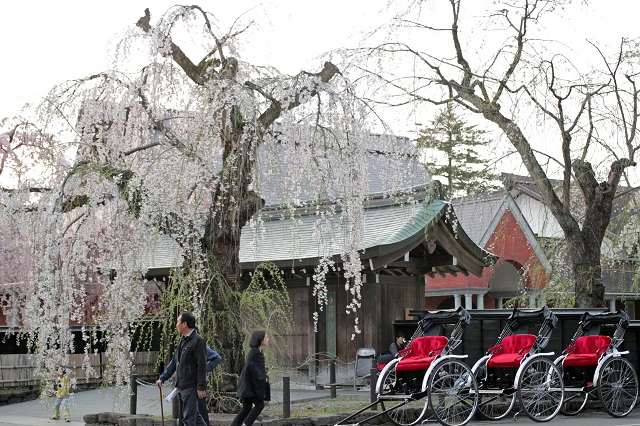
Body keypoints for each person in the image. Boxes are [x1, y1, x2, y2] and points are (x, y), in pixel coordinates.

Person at [155, 311, 207, 426]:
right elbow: (175, 362)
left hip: (190, 386)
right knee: (195, 418)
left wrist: (201, 386)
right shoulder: (182, 340)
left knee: (189, 420)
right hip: (181, 385)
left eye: (178, 321)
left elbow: (202, 365)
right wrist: (162, 378)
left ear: (184, 324)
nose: (176, 324)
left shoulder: (197, 340)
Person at [157, 341, 222, 426]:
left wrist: (205, 370)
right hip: (183, 387)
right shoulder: (181, 346)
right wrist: (162, 378)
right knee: (186, 415)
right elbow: (173, 364)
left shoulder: (197, 345)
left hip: (196, 386)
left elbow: (216, 358)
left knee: (198, 413)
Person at [231, 330, 269, 426]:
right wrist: (262, 378)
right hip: (248, 385)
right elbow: (250, 369)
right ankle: (246, 424)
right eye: (266, 337)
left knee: (246, 408)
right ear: (260, 340)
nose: (268, 339)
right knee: (260, 405)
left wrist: (265, 376)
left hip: (249, 385)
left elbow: (260, 369)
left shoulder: (260, 352)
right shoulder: (254, 352)